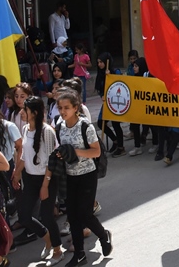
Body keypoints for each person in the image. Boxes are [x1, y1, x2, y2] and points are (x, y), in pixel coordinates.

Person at [53, 90, 112, 266]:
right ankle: (79, 254)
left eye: (67, 108)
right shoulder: (59, 126)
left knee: (85, 214)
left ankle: (103, 235)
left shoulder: (86, 126)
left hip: (87, 175)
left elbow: (96, 151)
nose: (63, 111)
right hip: (70, 176)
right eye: (60, 108)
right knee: (72, 216)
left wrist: (75, 151)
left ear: (76, 107)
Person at [12, 97, 63, 264]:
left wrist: (45, 185)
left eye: (25, 110)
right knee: (25, 216)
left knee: (47, 216)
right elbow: (25, 156)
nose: (21, 112)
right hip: (30, 178)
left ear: (34, 112)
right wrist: (17, 173)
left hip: (47, 178)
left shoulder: (47, 131)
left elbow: (51, 161)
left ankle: (57, 249)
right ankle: (47, 238)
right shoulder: (26, 129)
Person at [96, 53, 126, 157]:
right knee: (100, 122)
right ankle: (115, 140)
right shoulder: (100, 73)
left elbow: (121, 83)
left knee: (115, 124)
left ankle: (121, 147)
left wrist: (111, 76)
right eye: (98, 62)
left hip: (115, 102)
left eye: (101, 62)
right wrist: (102, 95)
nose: (99, 64)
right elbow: (100, 87)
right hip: (106, 102)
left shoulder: (115, 71)